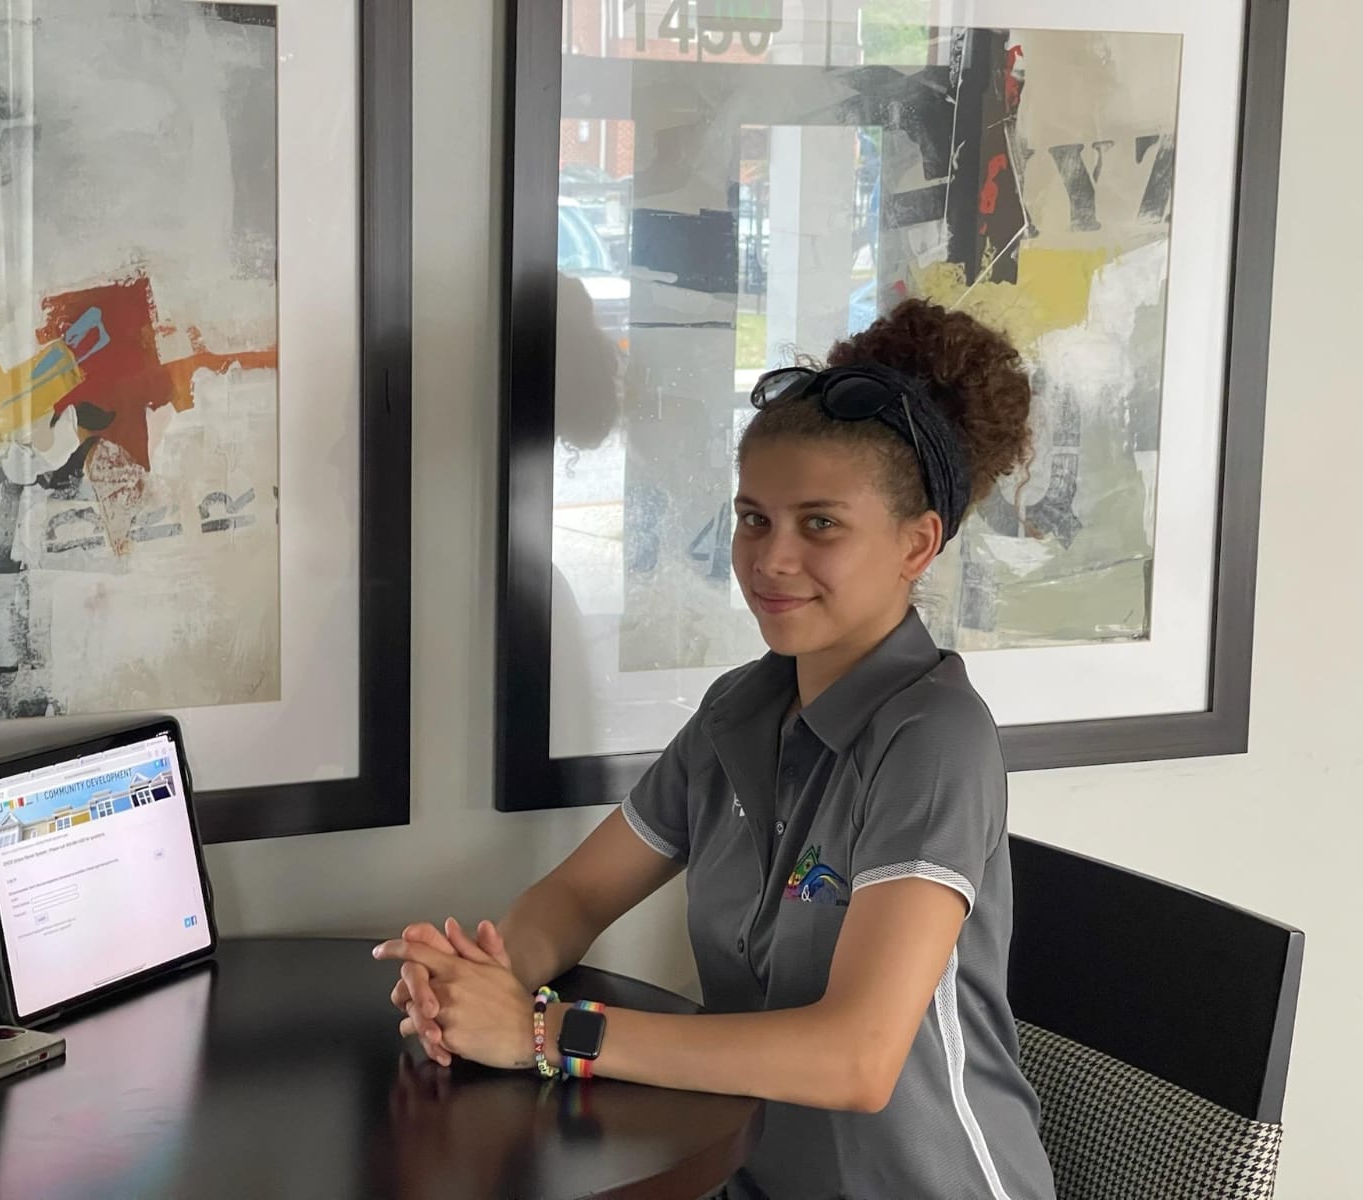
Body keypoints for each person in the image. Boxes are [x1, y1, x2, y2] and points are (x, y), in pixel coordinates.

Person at [373, 299, 1058, 1200]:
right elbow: (578, 896)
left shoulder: (934, 740)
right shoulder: (739, 711)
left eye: (820, 524)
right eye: (753, 518)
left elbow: (856, 1058)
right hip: (752, 1178)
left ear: (916, 544)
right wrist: (484, 980)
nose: (771, 559)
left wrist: (544, 1033)